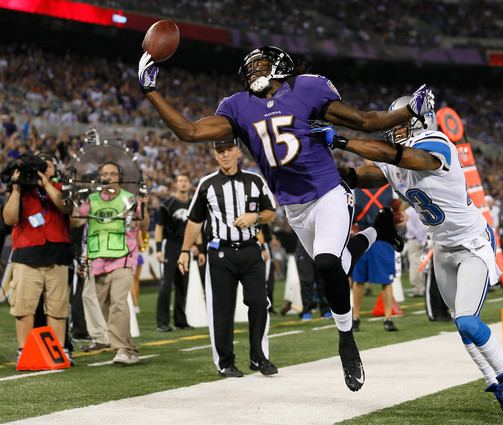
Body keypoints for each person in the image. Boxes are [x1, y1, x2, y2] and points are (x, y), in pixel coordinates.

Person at [139, 45, 433, 391]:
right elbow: (188, 132)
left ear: (280, 66)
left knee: (326, 264)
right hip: (294, 207)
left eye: (259, 64)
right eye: (248, 67)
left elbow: (365, 122)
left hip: (329, 192)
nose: (252, 71)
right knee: (337, 266)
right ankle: (378, 230)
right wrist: (151, 91)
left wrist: (407, 112)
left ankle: (345, 339)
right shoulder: (237, 106)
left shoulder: (307, 89)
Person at [314, 96, 503, 417]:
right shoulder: (393, 157)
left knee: (469, 320)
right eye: (393, 121)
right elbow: (370, 172)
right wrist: (337, 174)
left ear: (420, 121)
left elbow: (406, 158)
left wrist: (343, 140)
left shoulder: (437, 143)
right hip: (442, 247)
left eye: (400, 121)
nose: (394, 128)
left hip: (471, 244)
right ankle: (492, 378)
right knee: (461, 325)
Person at [178, 139, 278, 378]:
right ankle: (225, 362)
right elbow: (194, 221)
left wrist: (254, 217)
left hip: (250, 250)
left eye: (228, 150)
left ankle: (259, 356)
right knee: (222, 309)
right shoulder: (207, 185)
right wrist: (184, 250)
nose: (224, 155)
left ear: (237, 152)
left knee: (258, 302)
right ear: (215, 155)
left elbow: (271, 212)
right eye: (219, 151)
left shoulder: (255, 181)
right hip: (220, 252)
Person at [75, 161, 149, 364]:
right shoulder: (91, 200)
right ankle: (129, 347)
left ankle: (122, 349)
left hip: (123, 257)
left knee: (118, 302)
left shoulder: (129, 199)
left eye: (112, 173)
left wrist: (143, 205)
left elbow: (143, 224)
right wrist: (72, 199)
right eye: (104, 174)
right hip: (98, 258)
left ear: (119, 177)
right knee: (105, 307)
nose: (108, 177)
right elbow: (76, 221)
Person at [2, 152, 73, 363]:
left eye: (46, 166)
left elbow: (65, 206)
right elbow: (9, 219)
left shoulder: (60, 188)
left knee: (57, 307)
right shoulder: (21, 191)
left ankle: (59, 350)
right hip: (27, 255)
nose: (41, 170)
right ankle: (23, 351)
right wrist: (15, 189)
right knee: (24, 307)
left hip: (57, 254)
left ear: (53, 169)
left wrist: (46, 184)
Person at [351, 178, 401, 332]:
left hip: (379, 238)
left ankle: (387, 318)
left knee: (386, 280)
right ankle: (355, 318)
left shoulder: (389, 184)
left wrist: (400, 216)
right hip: (365, 236)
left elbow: (398, 208)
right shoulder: (355, 185)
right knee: (359, 280)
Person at [155, 174, 192, 331]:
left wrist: (200, 248)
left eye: (185, 181)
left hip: (185, 248)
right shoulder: (167, 204)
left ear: (189, 184)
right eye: (180, 181)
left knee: (183, 285)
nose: (183, 184)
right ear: (175, 184)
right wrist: (158, 249)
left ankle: (180, 321)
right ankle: (162, 322)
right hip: (169, 246)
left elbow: (195, 227)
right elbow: (159, 227)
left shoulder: (193, 204)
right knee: (166, 285)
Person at [295, 238, 332, 320]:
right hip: (304, 245)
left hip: (322, 244)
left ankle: (326, 309)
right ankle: (307, 310)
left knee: (323, 279)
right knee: (306, 281)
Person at [404, 204, 428, 297]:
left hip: (414, 240)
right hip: (424, 240)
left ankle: (418, 288)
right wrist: (423, 239)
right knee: (423, 264)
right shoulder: (423, 209)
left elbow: (411, 228)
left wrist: (420, 238)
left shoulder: (408, 211)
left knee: (415, 264)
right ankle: (424, 286)